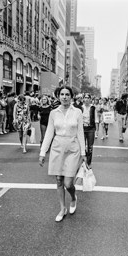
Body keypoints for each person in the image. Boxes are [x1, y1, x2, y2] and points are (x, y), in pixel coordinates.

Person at [39, 86, 86, 222]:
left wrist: (83, 152)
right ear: (58, 96)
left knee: (68, 182)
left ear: (71, 97)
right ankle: (62, 208)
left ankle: (73, 197)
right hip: (57, 148)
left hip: (73, 148)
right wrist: (43, 152)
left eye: (67, 94)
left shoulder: (77, 112)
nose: (64, 97)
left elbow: (80, 133)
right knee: (59, 180)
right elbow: (49, 132)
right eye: (62, 94)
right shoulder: (54, 113)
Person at [81, 93, 96, 168]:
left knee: (90, 147)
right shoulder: (80, 108)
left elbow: (96, 117)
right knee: (82, 146)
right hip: (82, 128)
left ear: (90, 99)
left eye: (88, 98)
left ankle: (89, 162)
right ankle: (83, 161)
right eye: (85, 98)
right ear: (83, 99)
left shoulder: (93, 108)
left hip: (91, 129)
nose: (86, 99)